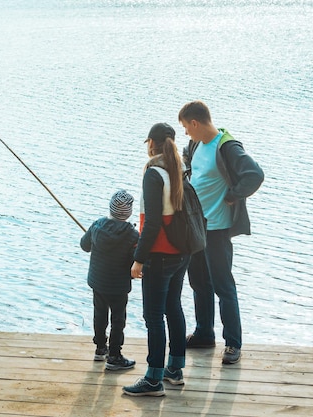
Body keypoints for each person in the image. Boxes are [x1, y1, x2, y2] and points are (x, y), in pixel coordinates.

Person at [178, 100, 264, 365]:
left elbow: (254, 174)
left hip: (217, 229)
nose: (185, 133)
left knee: (223, 286)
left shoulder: (227, 146)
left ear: (195, 123)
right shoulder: (196, 144)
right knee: (198, 283)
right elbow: (192, 167)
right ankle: (204, 333)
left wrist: (231, 196)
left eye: (185, 127)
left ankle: (233, 344)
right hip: (196, 228)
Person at [122, 123, 190, 397]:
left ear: (152, 142)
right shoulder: (182, 168)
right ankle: (175, 369)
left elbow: (150, 223)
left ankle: (153, 379)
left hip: (159, 254)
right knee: (173, 307)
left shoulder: (154, 173)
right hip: (181, 252)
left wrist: (139, 259)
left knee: (153, 316)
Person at [80, 189, 139, 371]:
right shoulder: (132, 234)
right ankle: (114, 355)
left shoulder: (97, 225)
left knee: (100, 315)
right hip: (118, 286)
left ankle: (100, 348)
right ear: (128, 212)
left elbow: (84, 246)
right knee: (118, 320)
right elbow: (134, 260)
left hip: (98, 282)